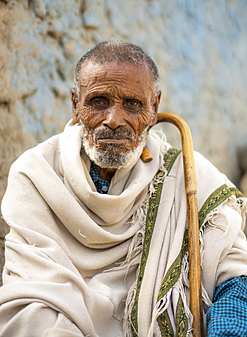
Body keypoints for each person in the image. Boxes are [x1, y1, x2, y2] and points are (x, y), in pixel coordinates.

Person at [0, 41, 247, 337]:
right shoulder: (36, 173)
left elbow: (236, 280)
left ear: (153, 109)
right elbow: (29, 294)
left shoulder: (188, 175)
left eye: (132, 104)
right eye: (98, 101)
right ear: (75, 104)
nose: (114, 120)